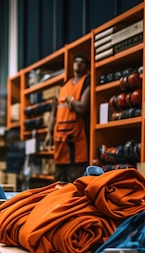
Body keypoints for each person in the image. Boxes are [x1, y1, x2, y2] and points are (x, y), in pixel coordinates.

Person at [44, 53, 91, 183]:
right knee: (58, 183)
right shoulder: (64, 87)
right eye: (76, 61)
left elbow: (82, 107)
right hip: (60, 142)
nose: (78, 63)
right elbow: (54, 112)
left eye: (82, 61)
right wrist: (49, 133)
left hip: (76, 141)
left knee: (74, 182)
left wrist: (71, 101)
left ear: (87, 66)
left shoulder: (87, 81)